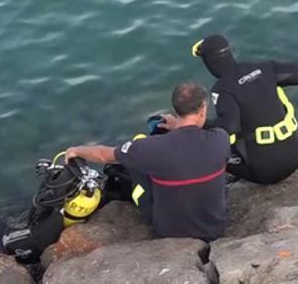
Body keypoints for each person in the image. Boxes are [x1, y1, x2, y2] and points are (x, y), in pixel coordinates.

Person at [65, 82, 229, 242]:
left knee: (134, 166)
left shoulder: (150, 147)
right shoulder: (220, 139)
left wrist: (76, 150)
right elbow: (193, 144)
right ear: (204, 110)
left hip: (169, 231)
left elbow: (102, 155)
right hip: (214, 228)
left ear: (175, 109)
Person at [191, 34, 298, 185]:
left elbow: (230, 126)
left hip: (266, 172)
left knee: (207, 147)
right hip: (294, 159)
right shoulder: (264, 68)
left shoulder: (223, 88)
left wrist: (200, 124)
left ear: (209, 62)